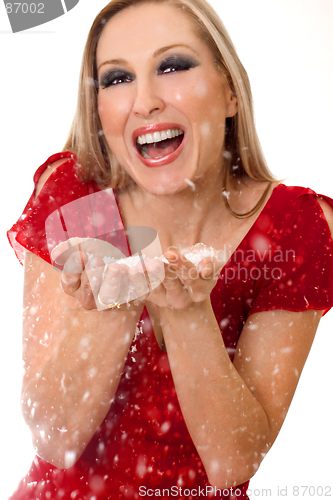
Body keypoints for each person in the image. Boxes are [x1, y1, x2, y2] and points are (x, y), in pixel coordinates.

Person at [7, 0, 333, 499]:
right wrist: (114, 297)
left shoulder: (292, 227)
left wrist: (187, 310)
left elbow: (232, 461)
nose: (144, 102)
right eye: (117, 78)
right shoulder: (83, 194)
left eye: (173, 66)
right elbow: (55, 438)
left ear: (229, 91)